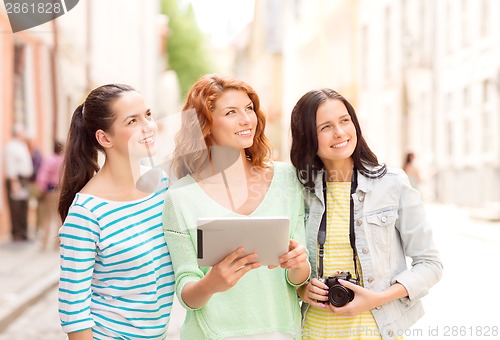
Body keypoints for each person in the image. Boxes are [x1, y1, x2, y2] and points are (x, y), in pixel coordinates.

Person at [163, 74, 310, 339]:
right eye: (231, 112)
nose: (246, 119)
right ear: (203, 125)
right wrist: (211, 283)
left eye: (249, 109)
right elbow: (186, 292)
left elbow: (298, 281)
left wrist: (300, 265)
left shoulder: (287, 180)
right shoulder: (181, 197)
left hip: (281, 332)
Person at [289, 88, 443, 339]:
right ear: (307, 136)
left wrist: (377, 298)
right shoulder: (298, 190)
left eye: (344, 120)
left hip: (377, 332)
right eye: (325, 127)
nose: (340, 132)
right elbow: (283, 267)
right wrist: (302, 289)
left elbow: (430, 264)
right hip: (313, 332)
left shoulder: (392, 184)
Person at [57, 84, 174, 339]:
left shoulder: (161, 185)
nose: (148, 126)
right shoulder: (86, 213)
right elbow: (73, 313)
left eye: (148, 115)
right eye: (133, 120)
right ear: (104, 138)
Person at [4, 122, 33, 241]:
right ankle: (17, 233)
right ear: (18, 133)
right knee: (15, 208)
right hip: (16, 179)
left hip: (24, 179)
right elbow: (11, 166)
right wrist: (14, 182)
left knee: (23, 206)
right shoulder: (11, 146)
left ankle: (24, 231)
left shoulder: (22, 146)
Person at [36, 140, 64, 251]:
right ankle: (57, 244)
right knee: (58, 217)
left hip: (50, 190)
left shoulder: (49, 160)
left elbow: (43, 175)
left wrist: (42, 188)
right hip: (60, 190)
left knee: (47, 217)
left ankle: (44, 243)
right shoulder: (64, 161)